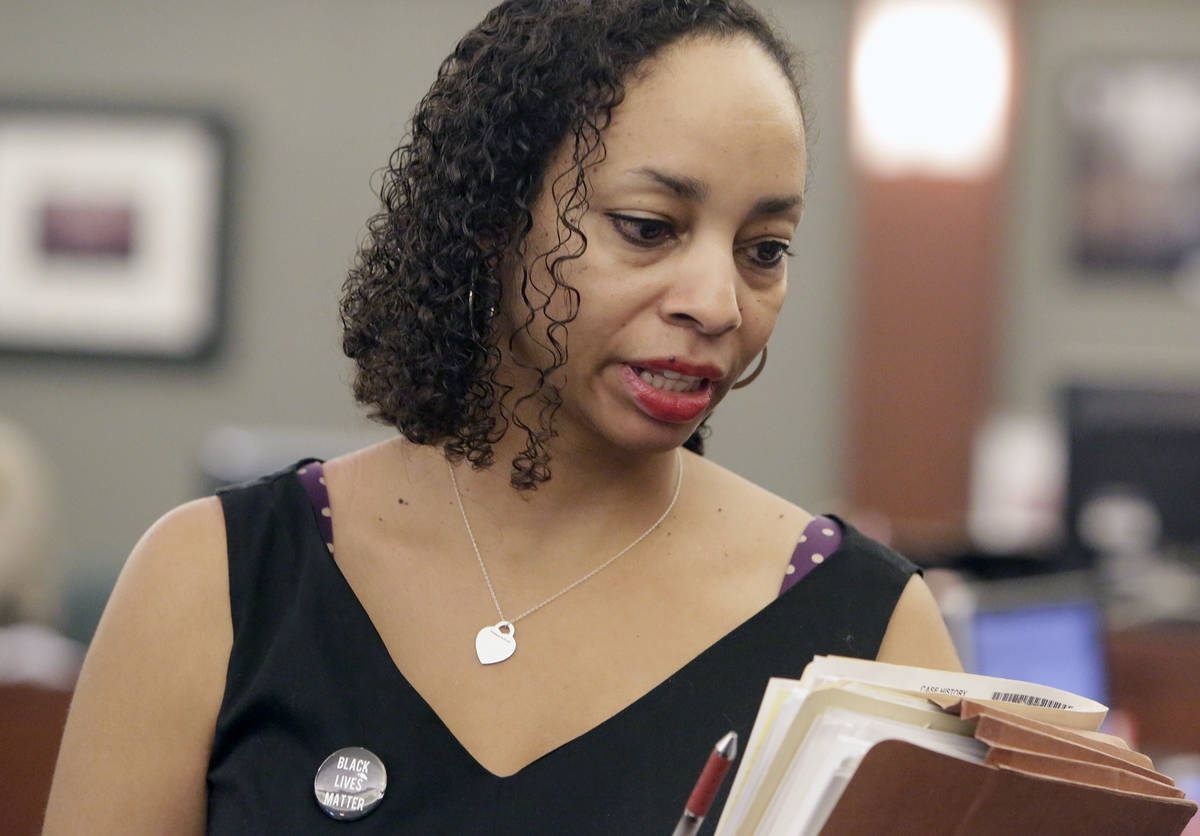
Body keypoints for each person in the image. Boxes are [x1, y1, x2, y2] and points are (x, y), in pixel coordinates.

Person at [44, 1, 962, 832]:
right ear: (494, 218)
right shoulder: (215, 582)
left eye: (764, 249)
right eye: (647, 227)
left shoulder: (869, 635)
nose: (718, 302)